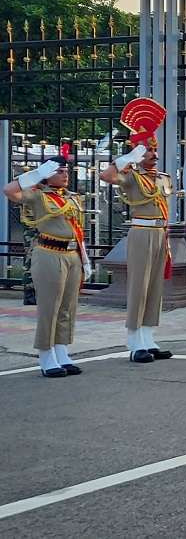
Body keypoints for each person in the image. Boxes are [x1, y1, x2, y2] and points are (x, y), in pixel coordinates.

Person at [100, 97, 173, 363]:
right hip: (141, 233)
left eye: (154, 150)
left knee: (154, 287)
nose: (153, 155)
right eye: (148, 151)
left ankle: (148, 337)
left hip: (160, 234)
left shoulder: (164, 177)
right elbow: (106, 176)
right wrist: (129, 158)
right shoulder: (131, 176)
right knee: (138, 287)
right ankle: (134, 341)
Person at [4, 151, 89, 377]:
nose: (65, 175)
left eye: (66, 171)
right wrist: (36, 174)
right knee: (49, 307)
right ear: (47, 175)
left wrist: (84, 257)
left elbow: (78, 230)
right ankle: (45, 355)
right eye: (59, 172)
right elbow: (10, 191)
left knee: (67, 308)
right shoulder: (38, 195)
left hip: (71, 254)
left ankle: (62, 352)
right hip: (49, 252)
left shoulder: (72, 197)